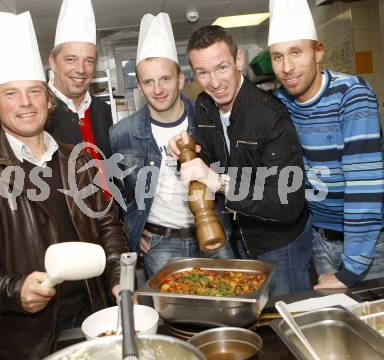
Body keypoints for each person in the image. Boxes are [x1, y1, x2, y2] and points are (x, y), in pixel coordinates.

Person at [0, 12, 127, 359]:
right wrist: (12, 290)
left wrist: (118, 276)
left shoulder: (80, 160)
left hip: (93, 315)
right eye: (11, 94)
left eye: (33, 92)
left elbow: (107, 222)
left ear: (48, 100)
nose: (25, 103)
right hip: (22, 335)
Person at [170, 25, 312, 296]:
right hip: (240, 240)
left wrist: (219, 182)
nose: (214, 82)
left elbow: (287, 202)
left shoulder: (271, 116)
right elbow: (206, 164)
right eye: (203, 73)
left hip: (280, 246)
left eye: (222, 67)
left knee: (287, 319)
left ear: (239, 60)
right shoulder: (204, 106)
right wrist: (185, 152)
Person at [268, 0, 384, 289]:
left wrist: (352, 269)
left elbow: (364, 185)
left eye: (296, 52)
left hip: (369, 245)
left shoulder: (352, 96)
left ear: (318, 51)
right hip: (319, 238)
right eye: (277, 56)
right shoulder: (281, 103)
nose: (288, 67)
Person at [110, 13, 233, 277]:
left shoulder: (210, 122)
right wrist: (133, 226)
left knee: (226, 307)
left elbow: (233, 175)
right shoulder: (122, 134)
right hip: (161, 244)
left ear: (180, 79)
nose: (158, 89)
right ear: (140, 87)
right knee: (175, 316)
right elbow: (119, 197)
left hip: (216, 232)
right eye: (148, 81)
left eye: (165, 79)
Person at [46, 0, 113, 195]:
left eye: (89, 61)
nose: (81, 69)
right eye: (70, 59)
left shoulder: (102, 110)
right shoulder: (35, 112)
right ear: (53, 61)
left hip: (112, 218)